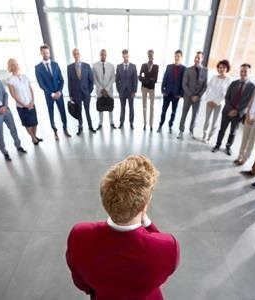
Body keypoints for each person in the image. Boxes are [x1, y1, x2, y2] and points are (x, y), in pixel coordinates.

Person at [66, 155, 179, 299]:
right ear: (144, 206)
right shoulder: (168, 247)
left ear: (105, 201)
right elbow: (163, 263)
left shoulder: (79, 236)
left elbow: (80, 281)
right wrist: (148, 224)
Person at [211, 63, 255, 156]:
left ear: (250, 72)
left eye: (245, 71)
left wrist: (237, 111)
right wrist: (231, 109)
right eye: (241, 71)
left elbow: (249, 102)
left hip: (238, 114)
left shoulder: (252, 87)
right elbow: (227, 97)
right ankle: (217, 145)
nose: (243, 73)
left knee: (233, 132)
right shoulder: (233, 83)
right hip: (227, 111)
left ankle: (228, 147)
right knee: (222, 129)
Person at [35, 44, 71, 140]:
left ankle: (65, 128)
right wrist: (51, 93)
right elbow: (41, 84)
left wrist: (59, 92)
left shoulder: (55, 65)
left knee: (62, 112)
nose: (46, 55)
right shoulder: (38, 68)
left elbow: (62, 80)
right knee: (51, 113)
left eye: (47, 53)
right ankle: (55, 131)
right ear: (41, 53)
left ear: (49, 53)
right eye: (44, 53)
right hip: (48, 95)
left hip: (59, 94)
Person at [6, 58, 42, 145]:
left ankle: (35, 135)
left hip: (31, 103)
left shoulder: (24, 77)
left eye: (16, 64)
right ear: (10, 67)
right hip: (21, 106)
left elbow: (31, 90)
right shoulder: (10, 80)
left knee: (34, 122)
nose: (15, 66)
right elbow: (13, 95)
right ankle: (33, 138)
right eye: (13, 65)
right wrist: (24, 105)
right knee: (27, 123)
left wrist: (32, 102)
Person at [177, 51, 208, 140]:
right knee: (184, 113)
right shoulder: (188, 70)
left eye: (198, 58)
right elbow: (184, 84)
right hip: (188, 96)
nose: (196, 59)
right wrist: (191, 95)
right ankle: (181, 131)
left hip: (198, 98)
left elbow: (205, 85)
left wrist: (198, 96)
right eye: (195, 57)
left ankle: (191, 131)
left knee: (195, 115)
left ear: (202, 59)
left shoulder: (205, 71)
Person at [201, 59, 232, 143]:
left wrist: (217, 102)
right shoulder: (214, 77)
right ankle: (204, 135)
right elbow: (208, 89)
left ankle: (209, 137)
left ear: (227, 68)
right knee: (207, 119)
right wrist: (210, 100)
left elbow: (226, 94)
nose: (221, 69)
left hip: (219, 104)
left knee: (215, 122)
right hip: (210, 102)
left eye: (223, 67)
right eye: (220, 67)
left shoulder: (229, 80)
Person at [67, 48, 95, 135]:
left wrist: (89, 91)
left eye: (77, 53)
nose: (76, 55)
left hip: (86, 93)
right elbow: (70, 82)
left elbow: (91, 80)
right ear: (73, 55)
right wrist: (71, 94)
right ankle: (80, 127)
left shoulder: (87, 66)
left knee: (87, 111)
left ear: (80, 54)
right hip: (76, 94)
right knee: (79, 111)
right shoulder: (70, 67)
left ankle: (90, 126)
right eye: (74, 54)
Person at [157, 50, 186, 133]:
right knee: (164, 110)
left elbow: (184, 82)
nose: (176, 57)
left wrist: (181, 94)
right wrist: (162, 90)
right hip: (167, 93)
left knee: (173, 112)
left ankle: (170, 125)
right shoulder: (169, 66)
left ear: (181, 57)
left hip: (176, 94)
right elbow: (164, 79)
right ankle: (160, 124)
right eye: (175, 56)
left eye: (178, 56)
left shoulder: (184, 69)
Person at [92, 49, 116, 130]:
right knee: (100, 106)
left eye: (104, 54)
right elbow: (94, 79)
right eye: (102, 54)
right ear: (100, 55)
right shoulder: (94, 65)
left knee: (110, 106)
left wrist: (106, 89)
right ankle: (100, 123)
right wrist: (101, 89)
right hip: (100, 91)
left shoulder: (111, 65)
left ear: (106, 55)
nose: (103, 56)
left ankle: (111, 122)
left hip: (109, 90)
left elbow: (113, 78)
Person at [116, 49, 138, 130]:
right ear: (122, 56)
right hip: (122, 91)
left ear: (128, 56)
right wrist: (118, 90)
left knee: (131, 107)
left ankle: (131, 122)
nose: (125, 58)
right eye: (124, 56)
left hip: (130, 91)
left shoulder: (133, 66)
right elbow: (117, 79)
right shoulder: (118, 66)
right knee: (122, 107)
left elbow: (135, 80)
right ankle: (121, 122)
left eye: (127, 56)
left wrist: (134, 91)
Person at [139, 49, 159, 131]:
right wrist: (148, 79)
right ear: (147, 55)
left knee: (152, 107)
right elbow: (139, 77)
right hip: (144, 88)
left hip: (152, 89)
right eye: (149, 55)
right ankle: (144, 123)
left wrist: (146, 79)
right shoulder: (143, 65)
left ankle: (151, 124)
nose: (150, 56)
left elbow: (155, 79)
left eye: (151, 55)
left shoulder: (156, 66)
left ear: (153, 55)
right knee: (144, 106)